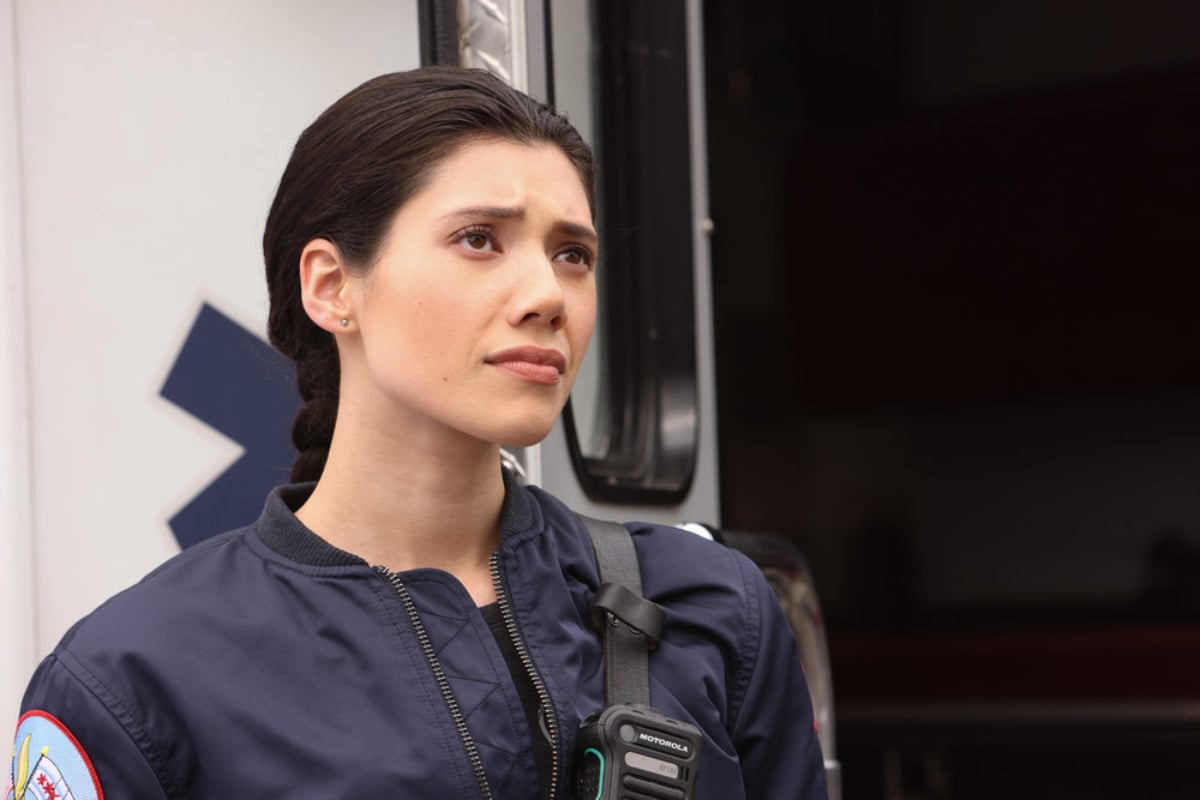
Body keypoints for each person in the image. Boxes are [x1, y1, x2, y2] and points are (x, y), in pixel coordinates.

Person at [8, 66, 828, 799]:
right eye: (480, 240)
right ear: (332, 287)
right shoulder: (136, 677)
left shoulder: (713, 607)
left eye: (572, 254)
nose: (547, 294)